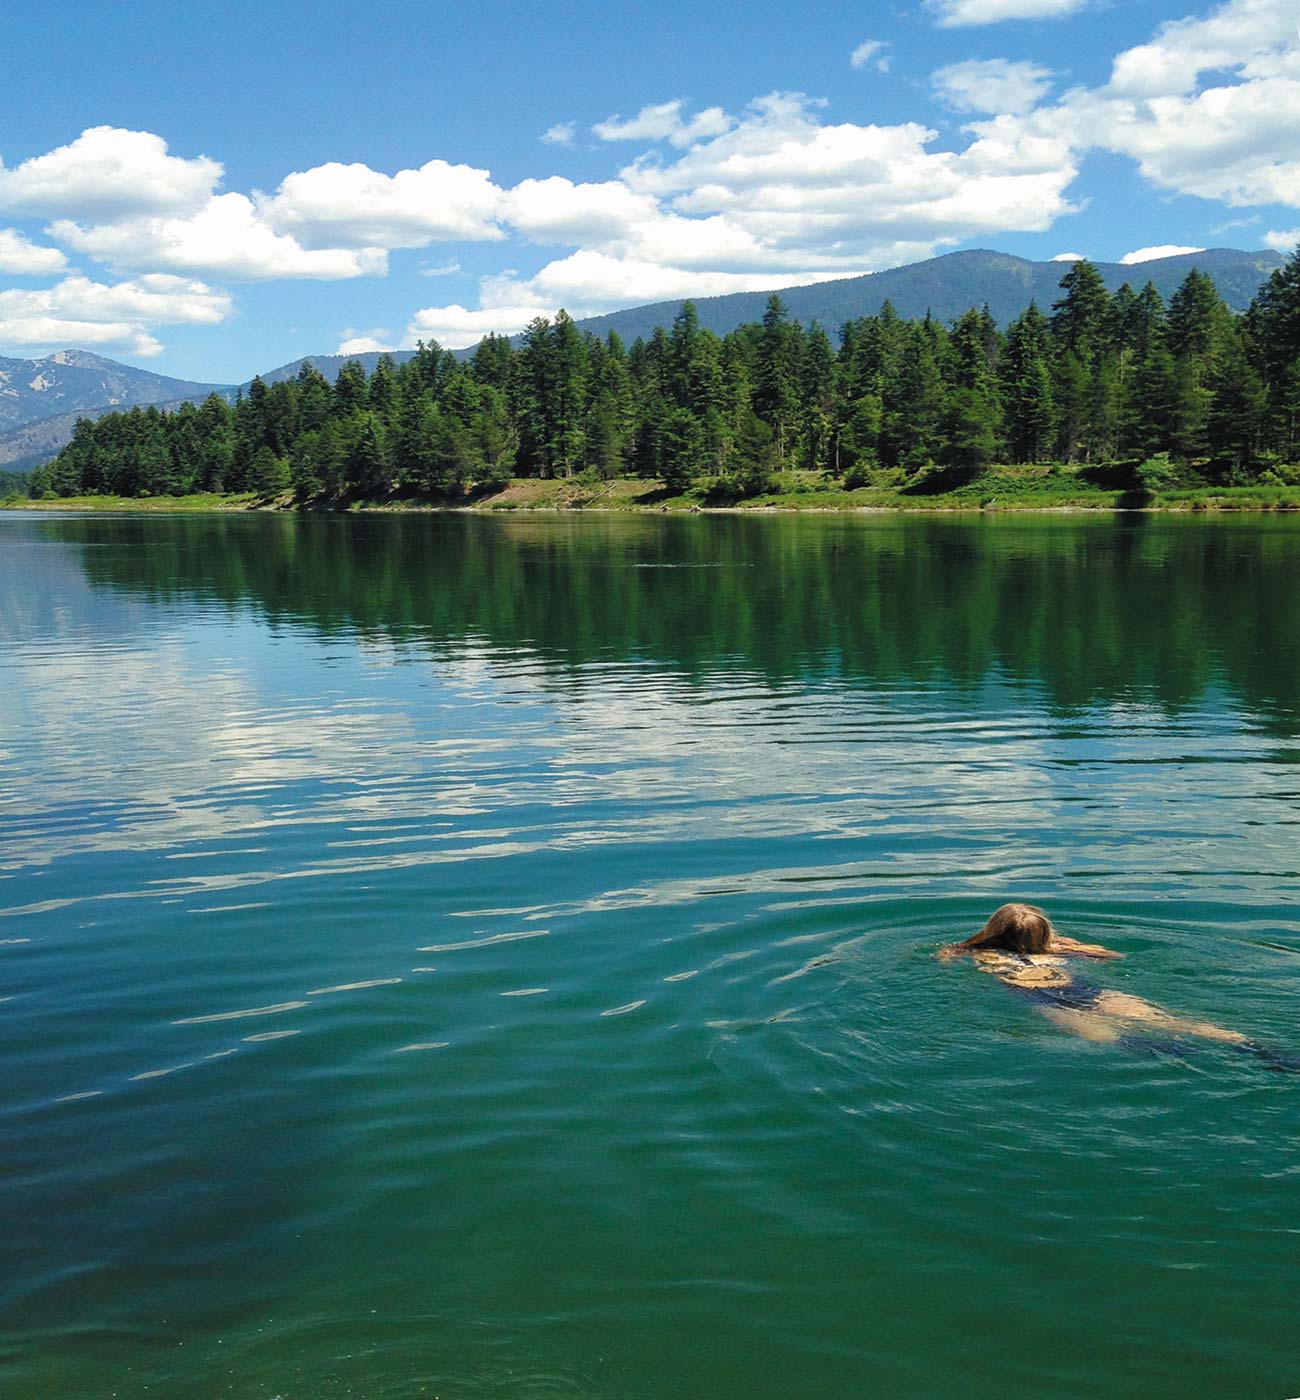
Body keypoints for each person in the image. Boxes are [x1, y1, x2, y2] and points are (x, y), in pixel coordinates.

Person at [939, 902, 1252, 1048]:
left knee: (1100, 1034)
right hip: (1084, 988)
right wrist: (1065, 947)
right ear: (1045, 933)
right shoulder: (1058, 950)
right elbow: (1112, 956)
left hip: (1040, 998)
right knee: (1166, 1018)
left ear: (993, 929)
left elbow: (944, 961)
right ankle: (1251, 1047)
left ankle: (1154, 1049)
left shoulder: (974, 951)